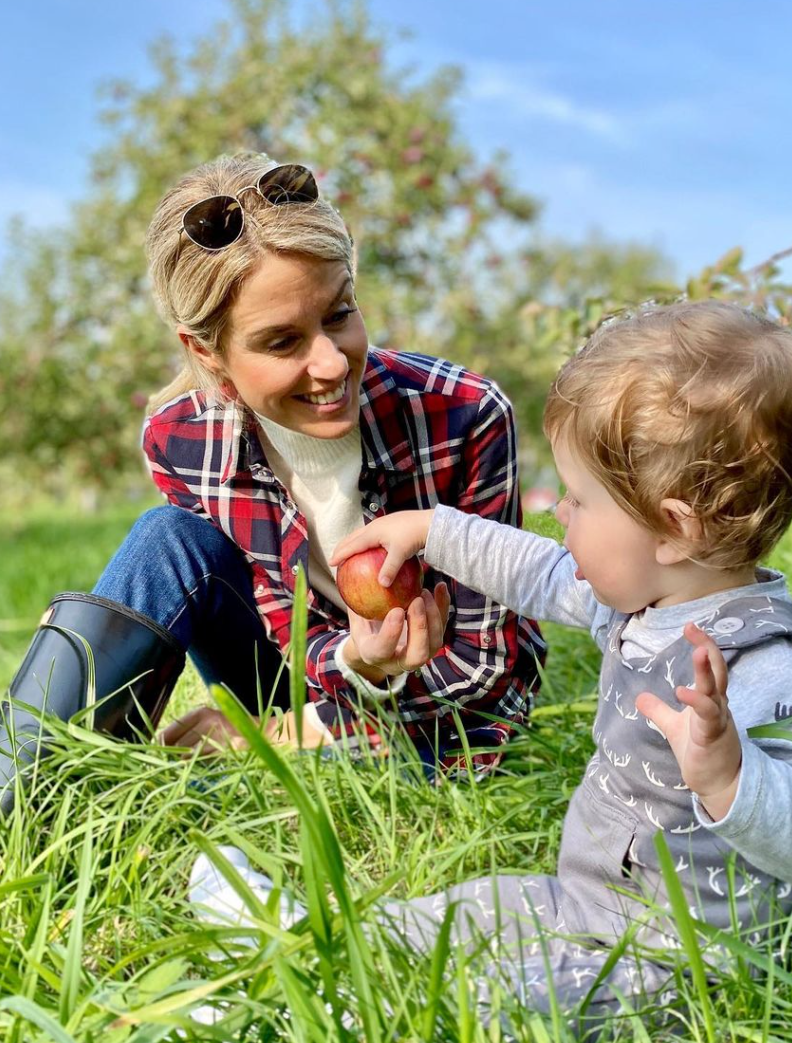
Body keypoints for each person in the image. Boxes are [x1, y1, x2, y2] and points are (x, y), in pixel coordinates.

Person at [191, 300, 792, 1031]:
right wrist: (434, 530)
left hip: (684, 960)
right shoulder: (643, 598)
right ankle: (315, 937)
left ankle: (333, 1013)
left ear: (672, 530)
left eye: (579, 500)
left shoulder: (762, 662)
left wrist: (735, 780)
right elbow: (541, 571)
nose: (560, 515)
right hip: (587, 902)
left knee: (503, 1003)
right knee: (471, 912)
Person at [0, 155, 546, 812]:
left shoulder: (462, 415)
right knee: (164, 536)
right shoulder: (181, 441)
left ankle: (126, 789)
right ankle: (25, 796)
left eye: (339, 314)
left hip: (437, 721)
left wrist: (292, 730)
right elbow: (275, 622)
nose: (329, 361)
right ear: (206, 352)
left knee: (203, 800)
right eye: (282, 342)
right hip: (307, 682)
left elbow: (487, 664)